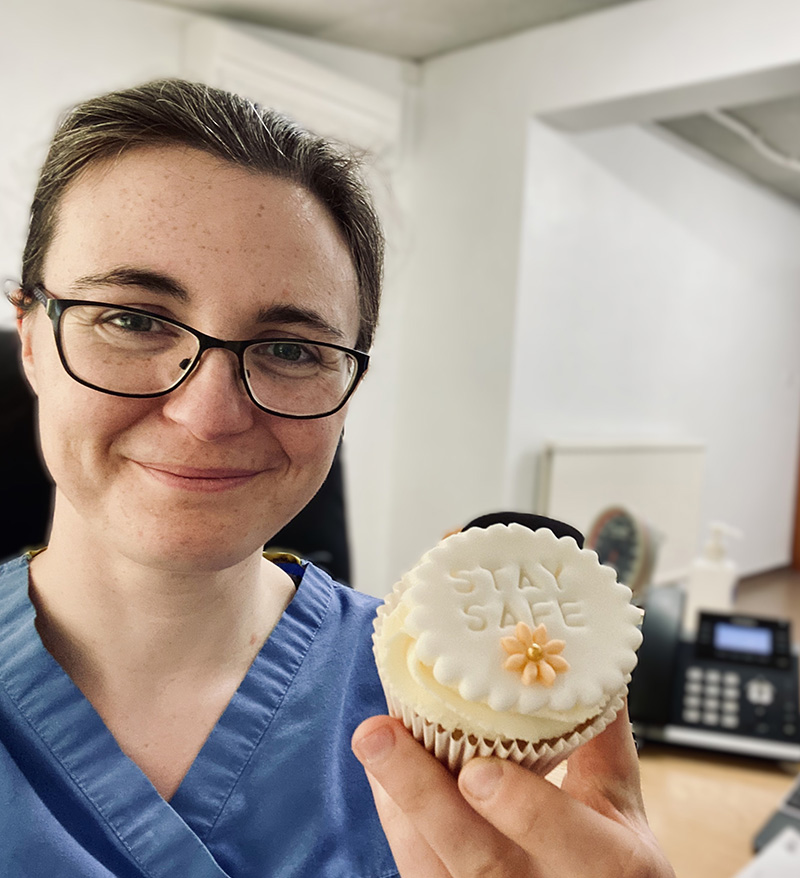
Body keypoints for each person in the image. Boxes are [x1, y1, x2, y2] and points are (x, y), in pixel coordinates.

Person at [0, 79, 675, 877]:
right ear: (32, 338)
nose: (207, 414)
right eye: (134, 319)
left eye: (291, 348)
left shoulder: (471, 725)